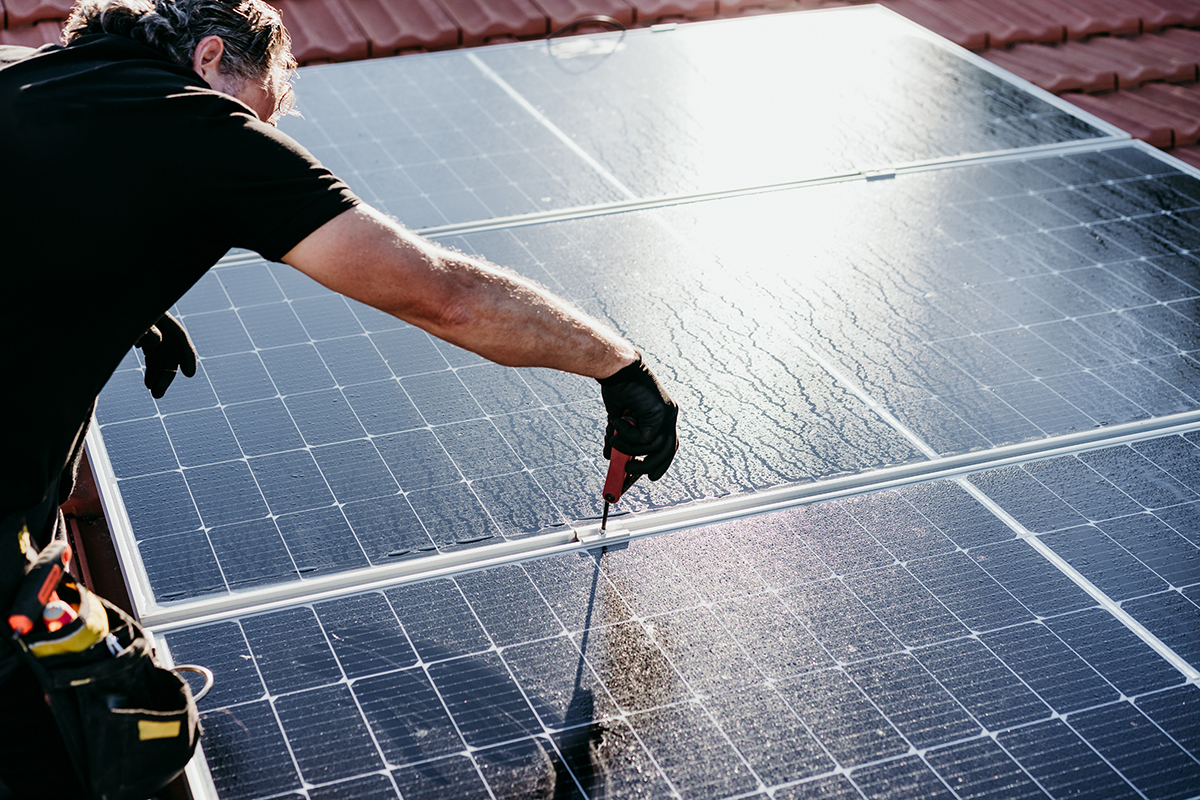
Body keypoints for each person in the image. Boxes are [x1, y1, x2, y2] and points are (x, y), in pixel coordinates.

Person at [0, 0, 679, 795]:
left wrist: (104, 288)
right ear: (212, 57)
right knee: (105, 737)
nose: (262, 130)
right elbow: (443, 296)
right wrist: (616, 365)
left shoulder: (30, 72)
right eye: (261, 109)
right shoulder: (200, 126)